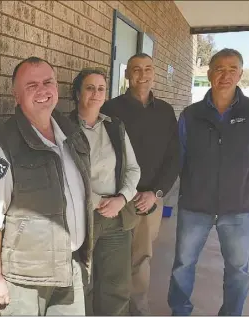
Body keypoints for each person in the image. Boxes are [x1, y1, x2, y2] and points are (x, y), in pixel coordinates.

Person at [0, 56, 93, 315]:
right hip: (25, 280)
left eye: (48, 82)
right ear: (16, 96)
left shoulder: (71, 135)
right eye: (31, 86)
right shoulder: (2, 147)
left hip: (69, 267)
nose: (42, 90)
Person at [167, 48, 249, 316]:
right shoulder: (190, 115)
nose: (225, 75)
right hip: (195, 205)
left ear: (240, 74)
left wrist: (237, 182)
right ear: (210, 73)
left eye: (232, 69)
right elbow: (183, 155)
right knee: (183, 264)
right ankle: (180, 311)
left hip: (238, 207)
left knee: (238, 270)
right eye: (219, 69)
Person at [101, 53, 181, 315]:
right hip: (115, 198)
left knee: (141, 259)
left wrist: (156, 193)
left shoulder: (166, 112)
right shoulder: (110, 109)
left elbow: (174, 156)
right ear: (127, 74)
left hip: (149, 199)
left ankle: (138, 310)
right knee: (113, 258)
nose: (142, 75)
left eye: (148, 69)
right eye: (136, 69)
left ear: (154, 73)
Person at [69, 68, 141, 315]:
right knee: (81, 283)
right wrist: (99, 201)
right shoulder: (62, 128)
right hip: (81, 217)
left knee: (116, 285)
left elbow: (133, 169)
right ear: (77, 93)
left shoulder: (115, 127)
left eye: (101, 89)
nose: (96, 93)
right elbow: (64, 176)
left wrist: (121, 199)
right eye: (90, 88)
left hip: (116, 218)